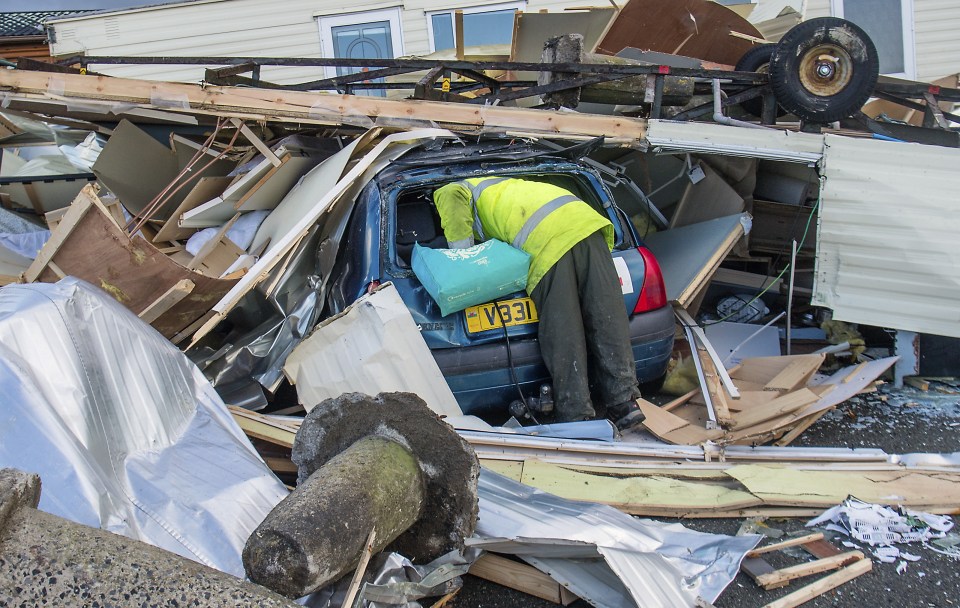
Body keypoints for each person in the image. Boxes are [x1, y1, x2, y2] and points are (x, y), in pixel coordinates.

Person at [433, 176, 645, 430]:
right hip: (586, 224)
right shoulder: (501, 186)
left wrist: (465, 268)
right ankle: (625, 403)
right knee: (607, 317)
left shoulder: (449, 189)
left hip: (547, 239)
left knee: (563, 329)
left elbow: (460, 238)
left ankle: (577, 416)